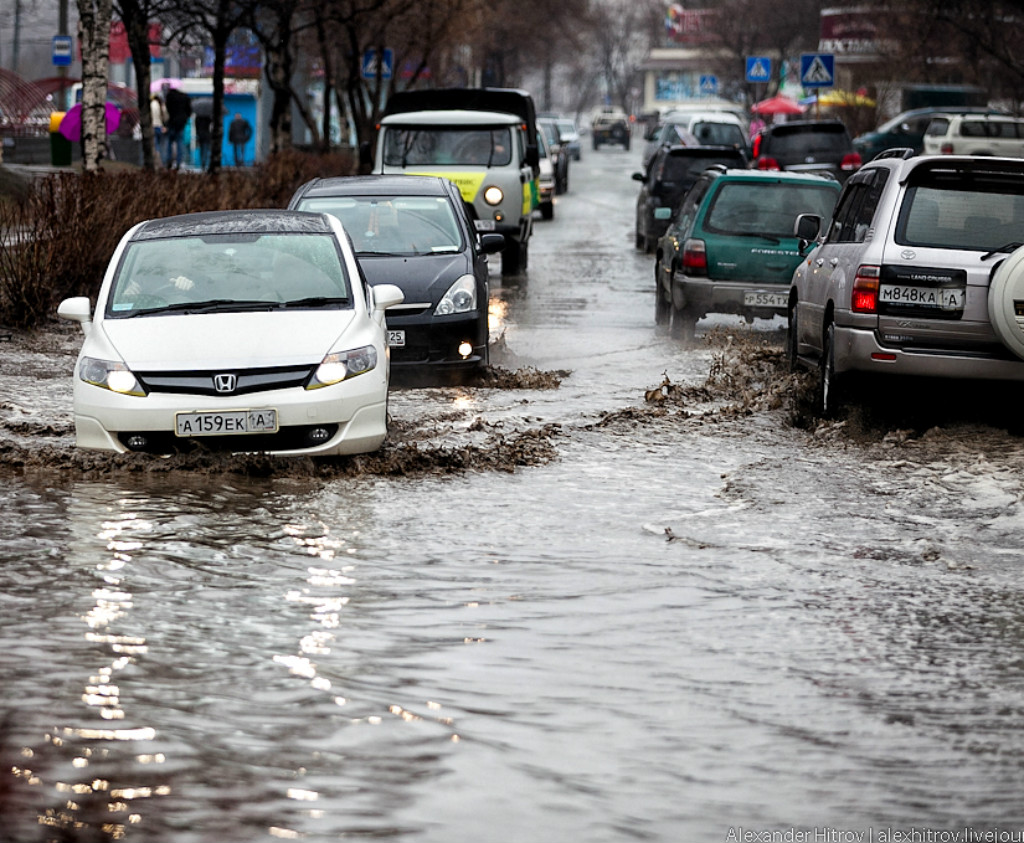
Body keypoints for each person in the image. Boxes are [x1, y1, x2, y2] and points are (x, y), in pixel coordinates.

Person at [163, 86, 192, 170]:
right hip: (181, 124)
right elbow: (189, 110)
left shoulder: (169, 97)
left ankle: (169, 161)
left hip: (171, 123)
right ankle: (179, 162)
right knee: (180, 143)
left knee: (169, 143)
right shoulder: (185, 97)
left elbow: (167, 109)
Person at [150, 94, 168, 164]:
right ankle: (162, 161)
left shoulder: (150, 105)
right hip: (160, 127)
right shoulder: (161, 106)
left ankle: (155, 160)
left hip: (152, 126)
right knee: (162, 146)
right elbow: (166, 117)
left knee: (154, 145)